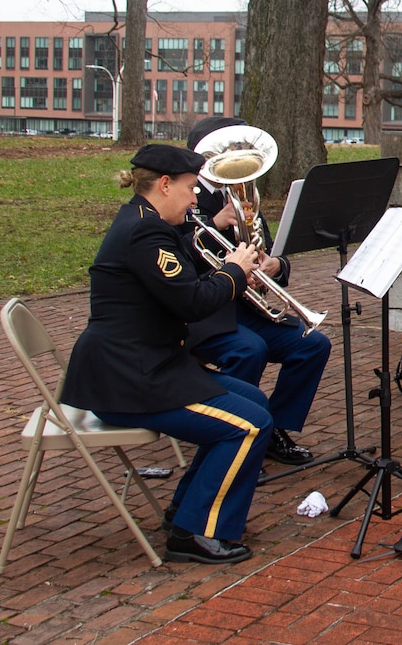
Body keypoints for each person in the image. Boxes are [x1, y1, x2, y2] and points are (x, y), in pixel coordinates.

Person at [61, 144, 272, 564]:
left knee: (254, 402)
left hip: (146, 364)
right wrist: (235, 270)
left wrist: (230, 267)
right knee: (248, 426)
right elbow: (191, 303)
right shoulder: (145, 232)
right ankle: (195, 532)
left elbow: (183, 286)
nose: (196, 198)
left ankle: (186, 508)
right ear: (163, 185)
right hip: (131, 378)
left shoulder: (145, 222)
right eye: (191, 188)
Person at [181, 116, 331, 466]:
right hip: (206, 315)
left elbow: (267, 251)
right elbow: (175, 257)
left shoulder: (242, 194)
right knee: (250, 350)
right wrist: (215, 224)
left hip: (246, 309)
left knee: (313, 345)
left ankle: (274, 429)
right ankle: (229, 437)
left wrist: (274, 266)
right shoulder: (188, 197)